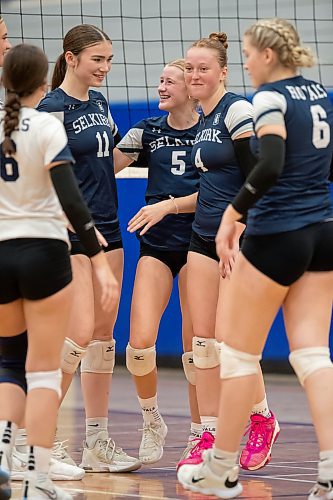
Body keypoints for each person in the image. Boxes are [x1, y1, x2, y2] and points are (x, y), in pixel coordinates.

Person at [178, 18, 333, 500]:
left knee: (239, 353)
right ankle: (328, 472)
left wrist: (233, 213)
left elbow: (270, 162)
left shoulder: (268, 98)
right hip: (322, 232)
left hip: (275, 234)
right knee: (311, 352)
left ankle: (221, 468)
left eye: (247, 54)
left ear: (268, 56)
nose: (244, 63)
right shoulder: (322, 94)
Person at [0, 43, 116, 500]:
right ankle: (38, 478)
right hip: (45, 253)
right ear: (43, 83)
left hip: (2, 252)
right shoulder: (47, 124)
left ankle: (3, 454)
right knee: (44, 372)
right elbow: (71, 198)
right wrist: (99, 259)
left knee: (8, 361)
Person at [34, 24, 141, 473]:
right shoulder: (51, 109)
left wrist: (140, 142)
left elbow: (107, 161)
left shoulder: (99, 103)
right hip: (74, 232)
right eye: (98, 59)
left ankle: (96, 442)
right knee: (76, 332)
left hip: (110, 227)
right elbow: (43, 173)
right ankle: (42, 442)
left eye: (109, 60)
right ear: (71, 57)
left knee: (101, 337)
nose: (105, 68)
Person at [177, 32, 279, 471]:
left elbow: (259, 174)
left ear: (223, 71)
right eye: (190, 68)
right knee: (202, 344)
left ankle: (261, 418)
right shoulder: (202, 119)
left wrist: (238, 225)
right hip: (202, 237)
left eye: (203, 68)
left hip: (237, 238)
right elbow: (211, 187)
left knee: (230, 342)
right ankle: (213, 434)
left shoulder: (238, 109)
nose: (195, 75)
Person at [114, 59, 201, 464]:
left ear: (191, 88)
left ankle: (200, 434)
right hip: (158, 247)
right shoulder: (147, 131)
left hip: (200, 246)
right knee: (139, 346)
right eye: (160, 80)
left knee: (196, 351)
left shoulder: (211, 134)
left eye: (170, 81)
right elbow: (101, 167)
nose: (161, 87)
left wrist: (168, 206)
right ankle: (152, 420)